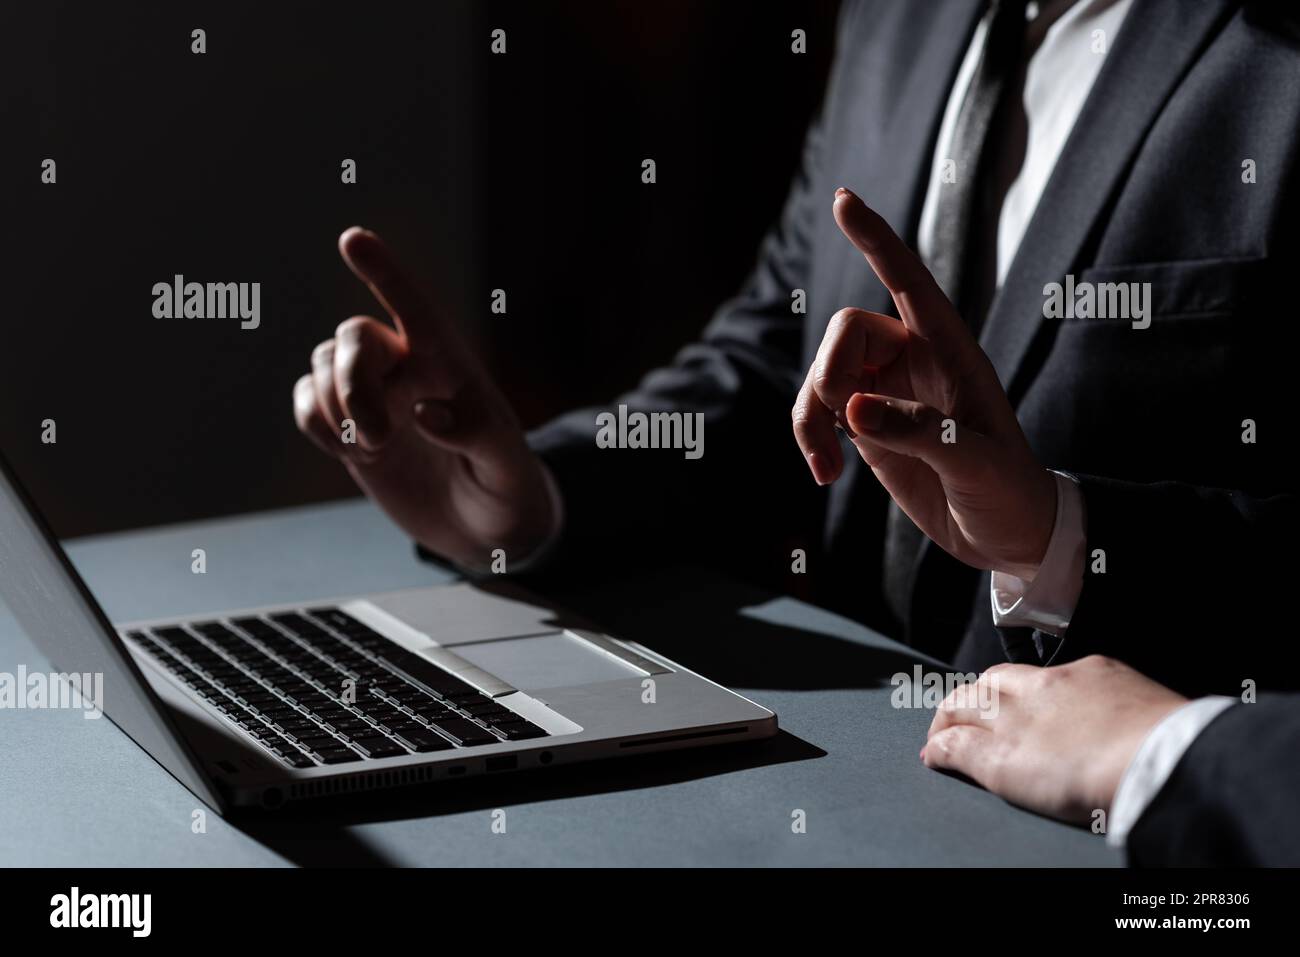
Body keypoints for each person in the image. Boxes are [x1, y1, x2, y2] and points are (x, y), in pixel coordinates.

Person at [292, 0, 1298, 862]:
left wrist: (1061, 537)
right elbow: (787, 343)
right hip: (851, 791)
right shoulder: (904, 13)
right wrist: (538, 497)